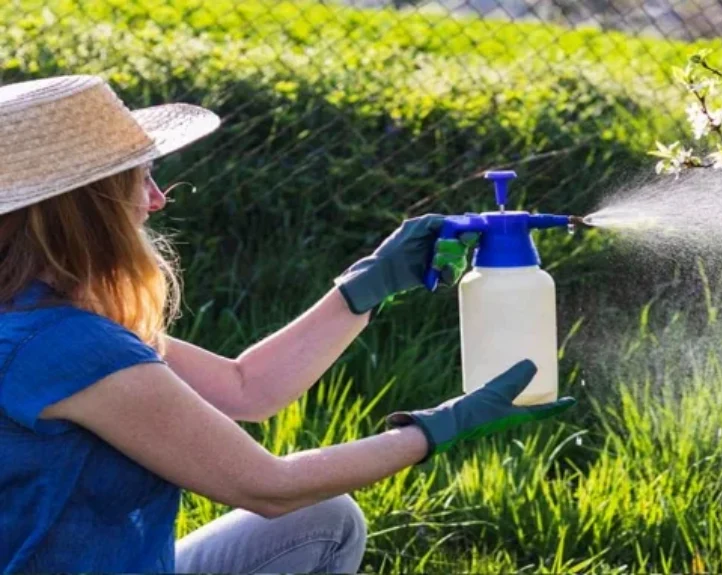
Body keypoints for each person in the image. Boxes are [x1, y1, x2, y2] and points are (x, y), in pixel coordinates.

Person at [0, 75, 576, 574]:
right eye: (140, 179)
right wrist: (437, 429)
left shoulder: (36, 316)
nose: (156, 200)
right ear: (86, 208)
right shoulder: (69, 346)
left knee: (323, 519)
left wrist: (364, 288)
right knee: (304, 509)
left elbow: (246, 389)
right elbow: (267, 487)